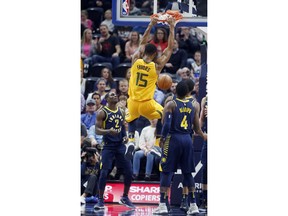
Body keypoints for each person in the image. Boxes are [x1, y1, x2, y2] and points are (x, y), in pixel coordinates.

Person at [125, 16, 176, 160]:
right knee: (164, 114)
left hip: (133, 102)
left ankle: (130, 141)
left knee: (131, 119)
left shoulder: (136, 59)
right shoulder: (157, 66)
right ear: (154, 54)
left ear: (144, 51)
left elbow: (142, 42)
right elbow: (170, 48)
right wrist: (171, 27)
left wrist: (151, 25)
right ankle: (158, 144)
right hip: (147, 103)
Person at [152, 80, 207, 215]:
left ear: (176, 91)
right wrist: (204, 135)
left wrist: (162, 139)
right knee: (188, 173)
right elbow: (196, 127)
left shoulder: (171, 104)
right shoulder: (193, 105)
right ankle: (193, 205)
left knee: (166, 171)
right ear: (189, 91)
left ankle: (163, 204)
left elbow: (166, 125)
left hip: (173, 139)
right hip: (187, 140)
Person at [93, 91, 135, 210]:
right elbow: (97, 130)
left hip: (120, 145)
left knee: (129, 170)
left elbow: (121, 127)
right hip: (108, 145)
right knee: (104, 172)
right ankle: (100, 200)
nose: (115, 96)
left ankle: (125, 197)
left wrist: (124, 136)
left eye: (115, 95)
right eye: (111, 95)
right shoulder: (102, 112)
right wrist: (108, 131)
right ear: (106, 99)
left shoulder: (121, 111)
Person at [198, 94, 208, 212]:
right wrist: (198, 130)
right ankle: (205, 199)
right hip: (208, 138)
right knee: (205, 169)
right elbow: (201, 119)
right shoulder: (205, 99)